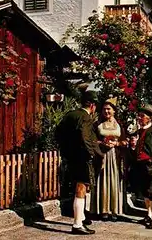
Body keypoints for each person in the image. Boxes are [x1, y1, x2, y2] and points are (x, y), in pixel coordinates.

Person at [57, 90, 104, 236]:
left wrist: (66, 152)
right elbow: (85, 138)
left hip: (71, 158)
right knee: (81, 189)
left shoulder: (70, 115)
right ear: (92, 105)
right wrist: (92, 155)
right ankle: (77, 224)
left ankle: (81, 218)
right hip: (82, 158)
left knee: (78, 187)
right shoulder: (85, 117)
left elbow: (58, 134)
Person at [91, 98, 127, 221]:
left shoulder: (119, 125)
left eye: (109, 109)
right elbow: (93, 140)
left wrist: (117, 144)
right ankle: (103, 210)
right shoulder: (97, 124)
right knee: (102, 181)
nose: (106, 111)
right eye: (104, 109)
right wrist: (102, 143)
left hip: (115, 156)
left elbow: (125, 141)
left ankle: (114, 210)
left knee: (114, 181)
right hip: (102, 156)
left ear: (114, 111)